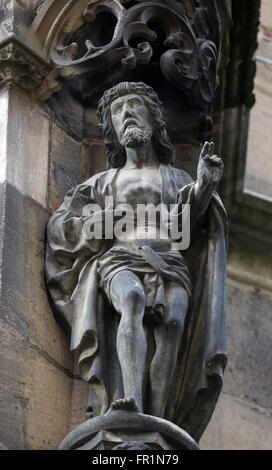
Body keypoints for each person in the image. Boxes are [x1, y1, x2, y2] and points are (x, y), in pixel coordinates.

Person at [46, 82, 227, 442]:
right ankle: (127, 397)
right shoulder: (103, 182)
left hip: (169, 261)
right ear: (111, 129)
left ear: (154, 119)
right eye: (118, 111)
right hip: (120, 258)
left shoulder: (176, 179)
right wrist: (103, 221)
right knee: (131, 301)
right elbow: (63, 227)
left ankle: (156, 417)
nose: (127, 113)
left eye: (135, 106)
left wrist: (205, 185)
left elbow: (187, 226)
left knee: (173, 324)